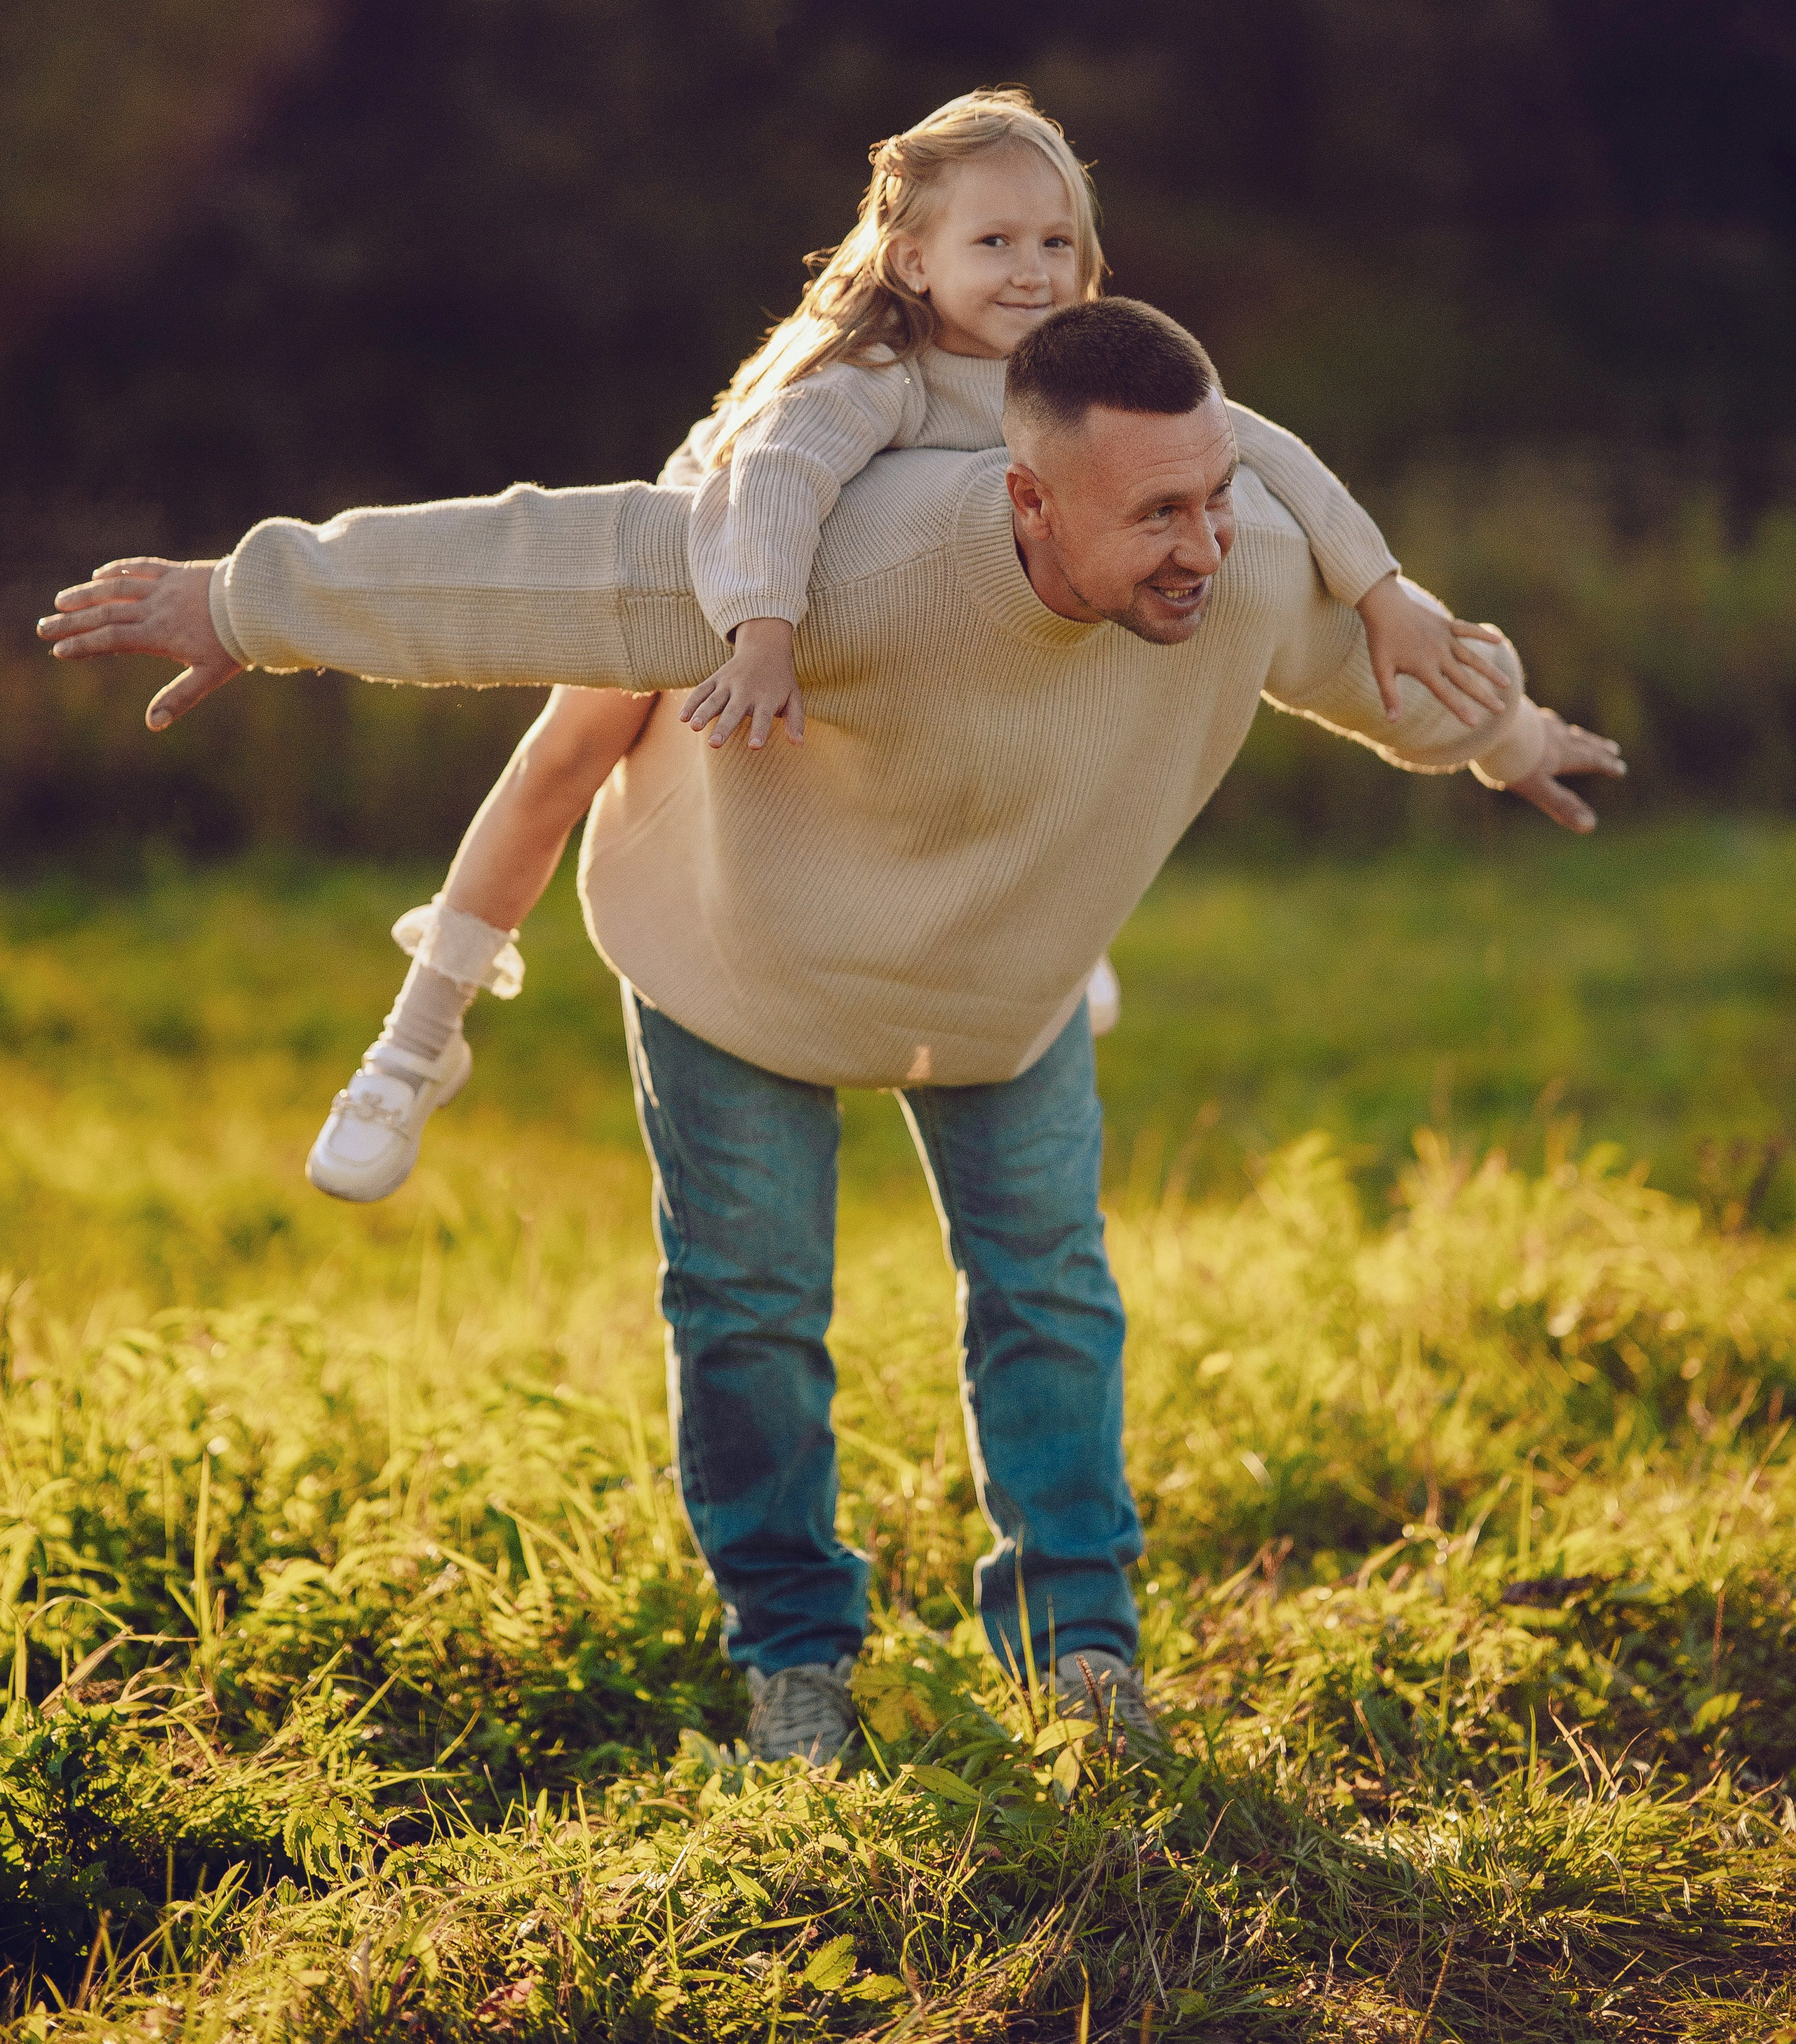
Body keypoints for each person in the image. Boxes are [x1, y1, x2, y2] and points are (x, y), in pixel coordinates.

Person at [38, 297, 1624, 1768]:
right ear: (1023, 500)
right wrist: (243, 598)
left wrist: (1516, 735)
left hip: (1002, 984)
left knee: (1051, 1300)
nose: (1204, 544)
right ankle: (793, 1659)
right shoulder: (843, 556)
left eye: (1213, 493)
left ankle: (1082, 1653)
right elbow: (537, 567)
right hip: (741, 955)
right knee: (747, 1317)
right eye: (1154, 513)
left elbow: (1394, 678)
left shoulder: (1242, 567)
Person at [302, 91, 1503, 1203]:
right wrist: (761, 632)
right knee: (567, 757)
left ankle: (1037, 946)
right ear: (915, 259)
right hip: (726, 568)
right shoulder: (872, 374)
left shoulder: (1080, 381)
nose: (1032, 271)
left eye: (1056, 243)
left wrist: (1381, 585)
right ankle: (419, 1037)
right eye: (995, 244)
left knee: (1074, 691)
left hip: (944, 651)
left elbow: (1262, 445)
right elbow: (776, 480)